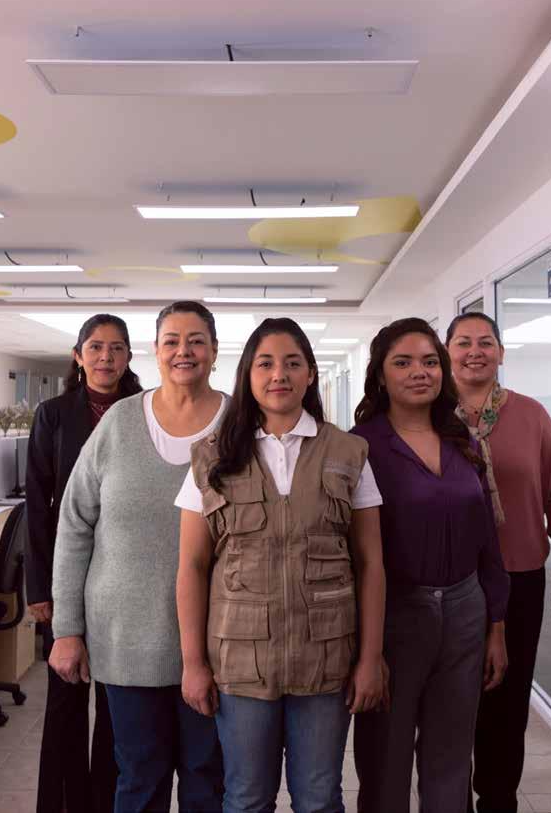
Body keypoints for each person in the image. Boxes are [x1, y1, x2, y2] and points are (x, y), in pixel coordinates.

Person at [175, 317, 387, 813]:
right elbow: (192, 566)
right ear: (248, 375)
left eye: (292, 363)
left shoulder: (348, 451)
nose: (279, 375)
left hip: (327, 660)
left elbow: (371, 563)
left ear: (310, 374)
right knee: (247, 798)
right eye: (265, 363)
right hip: (240, 663)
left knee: (319, 799)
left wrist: (370, 659)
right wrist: (193, 664)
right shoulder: (211, 457)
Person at [48, 301, 224, 813]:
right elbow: (74, 524)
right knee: (139, 776)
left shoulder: (240, 424)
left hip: (219, 641)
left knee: (207, 779)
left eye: (196, 340)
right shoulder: (120, 422)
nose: (184, 351)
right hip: (126, 639)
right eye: (172, 341)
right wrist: (66, 628)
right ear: (155, 350)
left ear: (214, 351)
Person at [351, 317, 510, 813]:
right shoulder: (360, 447)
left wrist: (496, 626)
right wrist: (366, 650)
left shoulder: (463, 441)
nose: (419, 372)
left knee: (451, 757)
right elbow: (354, 554)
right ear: (381, 375)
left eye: (428, 361)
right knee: (386, 757)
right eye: (402, 363)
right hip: (395, 615)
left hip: (466, 610)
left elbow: (488, 541)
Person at [446, 311, 551, 813]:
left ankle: (499, 798)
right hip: (449, 579)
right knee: (451, 698)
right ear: (447, 352)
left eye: (485, 342)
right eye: (463, 342)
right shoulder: (430, 416)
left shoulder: (531, 415)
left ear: (501, 353)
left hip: (520, 574)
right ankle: (449, 797)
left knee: (507, 697)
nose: (475, 351)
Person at [26, 313, 141, 813]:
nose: (106, 358)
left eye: (116, 348)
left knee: (119, 709)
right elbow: (36, 504)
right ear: (78, 356)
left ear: (129, 357)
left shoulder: (145, 411)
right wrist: (39, 589)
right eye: (95, 347)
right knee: (65, 706)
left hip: (124, 579)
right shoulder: (53, 414)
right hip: (65, 576)